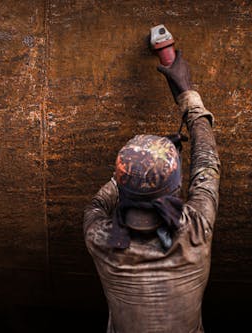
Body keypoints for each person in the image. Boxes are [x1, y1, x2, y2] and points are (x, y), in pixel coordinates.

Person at [83, 50, 221, 333]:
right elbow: (207, 163)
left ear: (121, 188)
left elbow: (99, 202)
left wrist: (138, 168)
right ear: (176, 188)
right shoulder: (197, 230)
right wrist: (187, 93)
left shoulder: (98, 237)